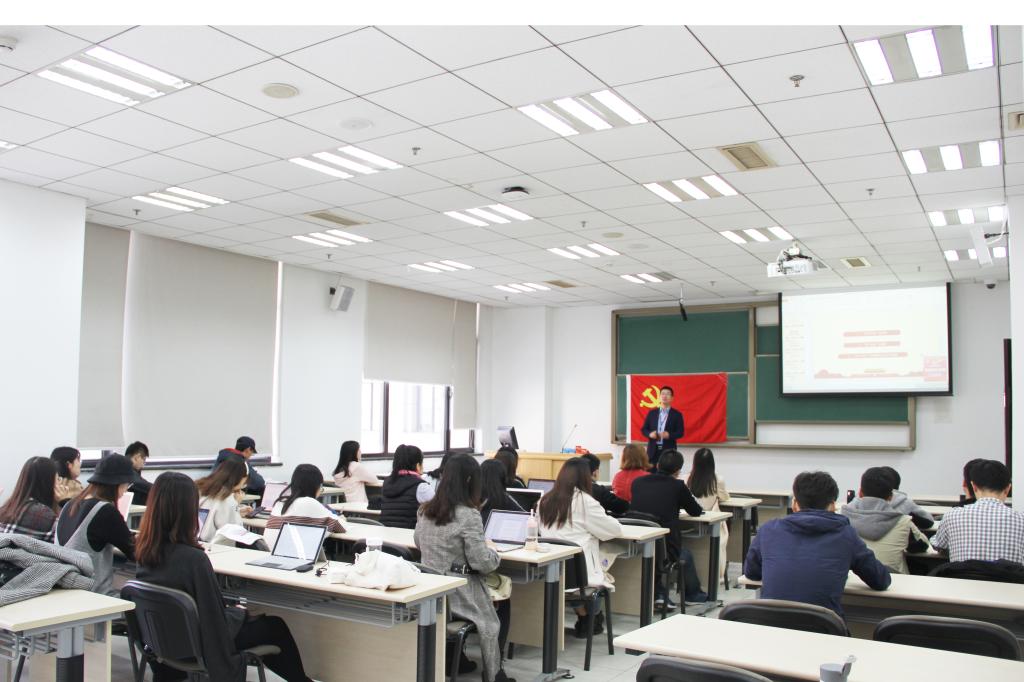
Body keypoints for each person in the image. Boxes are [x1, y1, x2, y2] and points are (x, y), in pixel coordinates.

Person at [135, 472, 313, 682]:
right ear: (187, 510)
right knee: (275, 626)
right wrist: (238, 613)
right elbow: (214, 619)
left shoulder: (144, 552)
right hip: (201, 643)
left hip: (168, 641)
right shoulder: (194, 559)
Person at [415, 454, 515, 682]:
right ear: (470, 481)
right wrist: (494, 552)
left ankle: (455, 657)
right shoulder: (469, 515)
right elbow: (482, 563)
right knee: (497, 612)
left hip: (430, 589)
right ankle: (494, 672)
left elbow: (419, 542)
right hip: (459, 593)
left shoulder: (424, 510)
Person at [744, 471, 891, 616]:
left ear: (794, 504)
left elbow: (752, 573)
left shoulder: (769, 530)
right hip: (823, 626)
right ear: (832, 506)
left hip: (771, 624)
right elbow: (880, 580)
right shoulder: (846, 535)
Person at [538, 457, 623, 637]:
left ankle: (585, 616)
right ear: (586, 477)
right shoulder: (585, 502)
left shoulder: (544, 500)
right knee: (609, 555)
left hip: (552, 570)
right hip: (578, 575)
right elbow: (613, 530)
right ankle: (592, 616)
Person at [629, 449, 708, 606]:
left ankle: (659, 592)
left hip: (637, 543)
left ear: (657, 465)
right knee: (685, 555)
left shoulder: (638, 482)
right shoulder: (677, 486)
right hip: (664, 548)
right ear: (678, 471)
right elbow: (695, 511)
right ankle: (693, 595)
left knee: (659, 555)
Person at [54, 454, 136, 596]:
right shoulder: (105, 511)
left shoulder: (69, 504)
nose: (125, 491)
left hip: (64, 591)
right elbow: (134, 552)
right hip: (94, 596)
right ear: (118, 484)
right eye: (127, 485)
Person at [932, 459, 1024, 564]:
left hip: (963, 575)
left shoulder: (952, 515)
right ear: (1008, 489)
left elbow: (938, 545)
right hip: (1008, 575)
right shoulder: (1021, 520)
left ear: (974, 487)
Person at [841, 467, 930, 574]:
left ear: (860, 493)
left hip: (852, 578)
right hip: (894, 580)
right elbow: (923, 545)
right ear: (890, 496)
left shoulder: (842, 520)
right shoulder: (903, 522)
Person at [263, 464, 344, 549]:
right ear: (315, 486)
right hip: (291, 555)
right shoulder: (309, 502)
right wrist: (341, 518)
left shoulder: (280, 503)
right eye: (320, 487)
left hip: (270, 554)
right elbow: (340, 526)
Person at [686, 448, 731, 583]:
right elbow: (724, 497)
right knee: (721, 537)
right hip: (711, 522)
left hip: (689, 522)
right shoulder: (718, 479)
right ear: (712, 463)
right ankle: (718, 575)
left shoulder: (687, 478)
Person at [0, 457, 61, 541]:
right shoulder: (48, 517)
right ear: (48, 482)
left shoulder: (6, 509)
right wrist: (63, 503)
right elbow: (67, 543)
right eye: (58, 479)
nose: (60, 484)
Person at [196, 458, 252, 544]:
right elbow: (235, 532)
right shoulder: (226, 499)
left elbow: (213, 514)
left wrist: (237, 511)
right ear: (240, 478)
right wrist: (235, 505)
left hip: (196, 542)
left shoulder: (203, 489)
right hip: (215, 546)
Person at [381, 444, 434, 529]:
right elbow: (439, 508)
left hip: (386, 534)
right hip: (411, 534)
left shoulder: (387, 482)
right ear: (418, 466)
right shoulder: (421, 487)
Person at [640, 385, 684, 468]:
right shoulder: (652, 413)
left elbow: (680, 433)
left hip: (669, 452)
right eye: (663, 394)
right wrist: (649, 434)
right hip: (652, 451)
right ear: (659, 397)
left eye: (667, 394)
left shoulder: (677, 415)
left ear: (672, 398)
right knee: (651, 474)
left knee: (667, 473)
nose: (665, 396)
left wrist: (669, 435)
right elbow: (644, 429)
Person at [332, 440, 379, 504]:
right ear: (354, 453)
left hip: (344, 505)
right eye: (359, 450)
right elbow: (374, 479)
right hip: (358, 504)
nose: (360, 452)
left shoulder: (339, 469)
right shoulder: (356, 467)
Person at [126, 441, 153, 505]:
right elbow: (142, 484)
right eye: (144, 460)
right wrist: (161, 488)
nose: (143, 464)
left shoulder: (128, 469)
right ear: (136, 457)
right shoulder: (127, 471)